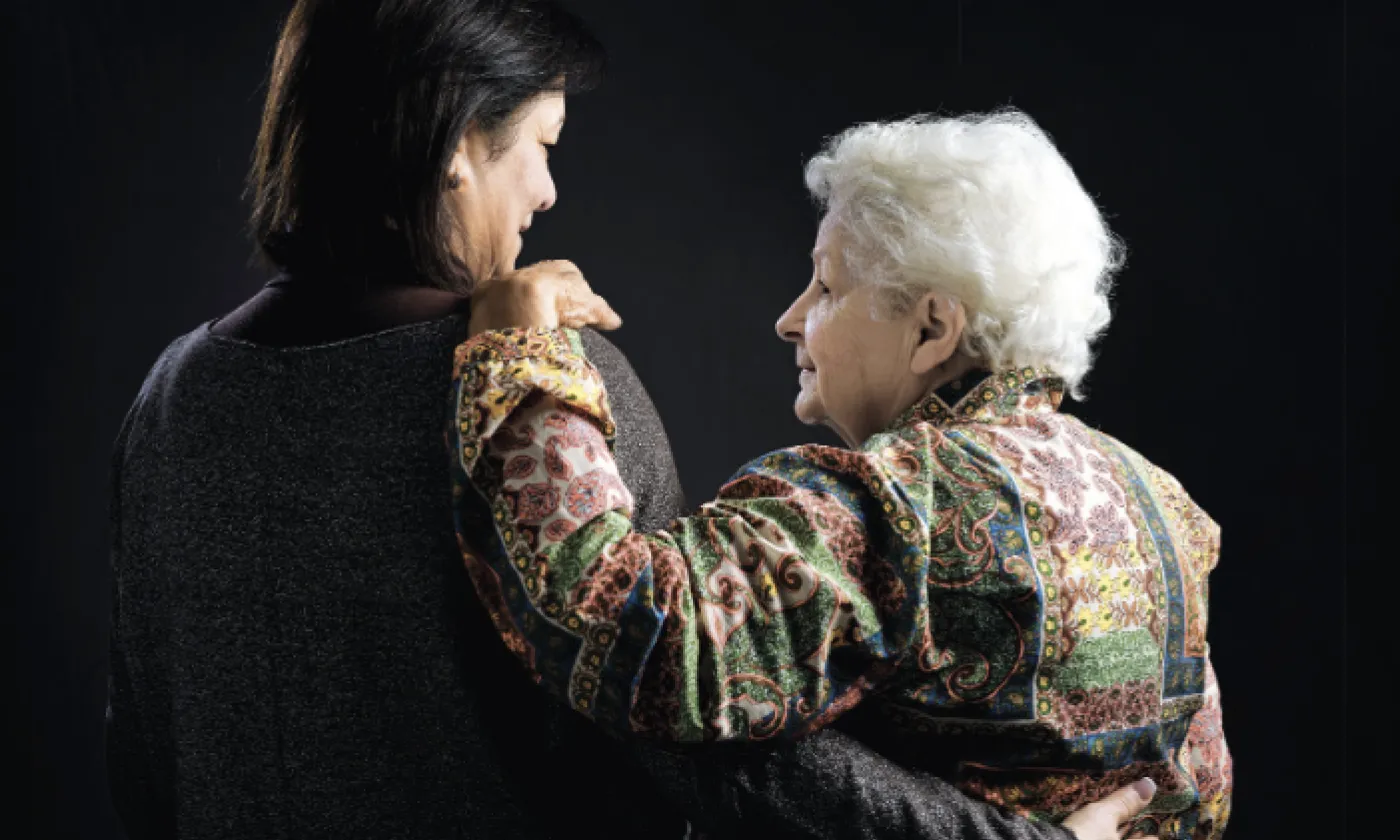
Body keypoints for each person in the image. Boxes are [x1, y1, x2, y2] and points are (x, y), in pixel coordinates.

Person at [103, 1, 1148, 838]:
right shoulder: (547, 391)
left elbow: (143, 761)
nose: (548, 192)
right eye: (540, 145)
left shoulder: (172, 397)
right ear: (456, 141)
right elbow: (713, 742)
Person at [451, 111, 1231, 839]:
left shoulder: (896, 502)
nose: (790, 318)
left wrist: (519, 360)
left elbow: (619, 624)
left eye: (827, 286)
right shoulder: (1164, 506)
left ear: (930, 328)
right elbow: (1195, 793)